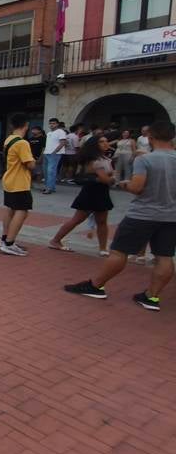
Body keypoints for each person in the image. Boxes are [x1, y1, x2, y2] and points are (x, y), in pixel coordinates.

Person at [64, 121, 176, 311]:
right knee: (164, 256)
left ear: (150, 137)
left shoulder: (145, 160)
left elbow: (137, 187)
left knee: (119, 251)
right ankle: (151, 296)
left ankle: (96, 286)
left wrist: (125, 184)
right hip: (171, 216)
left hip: (142, 214)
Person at [49, 135, 115, 255]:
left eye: (106, 141)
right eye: (101, 142)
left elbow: (106, 176)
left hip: (101, 191)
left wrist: (109, 177)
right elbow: (105, 179)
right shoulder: (95, 160)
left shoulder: (104, 158)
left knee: (101, 221)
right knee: (78, 219)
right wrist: (112, 178)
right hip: (92, 191)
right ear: (95, 145)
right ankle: (55, 240)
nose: (105, 143)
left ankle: (103, 248)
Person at [0, 114, 36, 256]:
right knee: (22, 211)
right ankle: (9, 243)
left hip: (9, 179)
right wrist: (34, 160)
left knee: (10, 209)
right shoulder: (22, 143)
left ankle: (5, 239)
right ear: (26, 125)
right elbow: (30, 164)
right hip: (19, 182)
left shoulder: (9, 139)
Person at [42, 118, 69, 194]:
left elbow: (63, 142)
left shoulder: (61, 132)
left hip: (54, 154)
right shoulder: (49, 133)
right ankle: (50, 187)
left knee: (51, 171)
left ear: (57, 124)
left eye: (53, 123)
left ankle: (49, 188)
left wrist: (55, 151)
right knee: (46, 171)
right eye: (50, 123)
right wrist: (44, 152)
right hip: (47, 153)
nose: (51, 125)